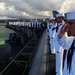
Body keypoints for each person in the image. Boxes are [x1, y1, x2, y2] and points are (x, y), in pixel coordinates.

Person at [58, 11, 75, 75]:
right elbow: (63, 43)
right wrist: (62, 33)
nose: (67, 27)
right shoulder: (73, 40)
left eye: (70, 23)